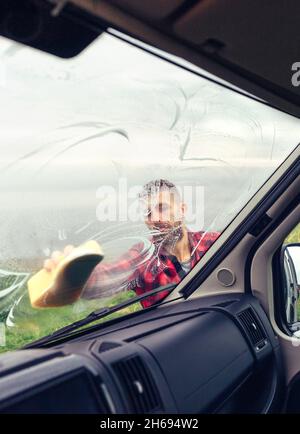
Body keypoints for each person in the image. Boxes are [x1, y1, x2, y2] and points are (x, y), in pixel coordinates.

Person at [44, 179, 220, 308]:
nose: (155, 219)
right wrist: (74, 274)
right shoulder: (144, 258)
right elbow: (106, 278)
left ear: (182, 210)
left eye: (162, 208)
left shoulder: (212, 242)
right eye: (148, 213)